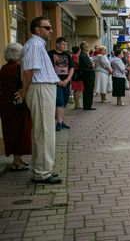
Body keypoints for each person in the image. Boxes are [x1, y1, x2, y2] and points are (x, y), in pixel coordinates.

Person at [21, 16, 62, 184]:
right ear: (38, 29)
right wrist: (24, 92)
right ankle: (42, 172)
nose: (51, 30)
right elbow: (28, 71)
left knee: (43, 130)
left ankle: (41, 169)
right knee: (44, 131)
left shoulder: (37, 45)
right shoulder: (34, 45)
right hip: (40, 88)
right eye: (47, 27)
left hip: (43, 88)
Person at [0, 43, 32, 171]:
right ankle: (17, 162)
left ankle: (18, 159)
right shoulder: (19, 67)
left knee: (11, 131)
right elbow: (24, 84)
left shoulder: (3, 68)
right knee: (21, 132)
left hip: (5, 104)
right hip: (18, 104)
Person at [47, 37, 74, 131]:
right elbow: (48, 68)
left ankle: (61, 121)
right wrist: (58, 81)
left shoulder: (67, 55)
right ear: (58, 44)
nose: (65, 46)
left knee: (65, 101)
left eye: (66, 45)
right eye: (63, 44)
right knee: (60, 101)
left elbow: (71, 68)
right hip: (55, 82)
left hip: (66, 82)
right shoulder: (50, 54)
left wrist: (67, 80)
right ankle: (59, 122)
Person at [79, 41, 96, 110]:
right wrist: (92, 64)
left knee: (89, 89)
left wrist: (92, 64)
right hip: (88, 74)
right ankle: (87, 105)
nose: (88, 47)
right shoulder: (83, 55)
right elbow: (91, 64)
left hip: (88, 73)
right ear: (84, 47)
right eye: (87, 46)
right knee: (88, 90)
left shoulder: (84, 55)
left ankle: (88, 105)